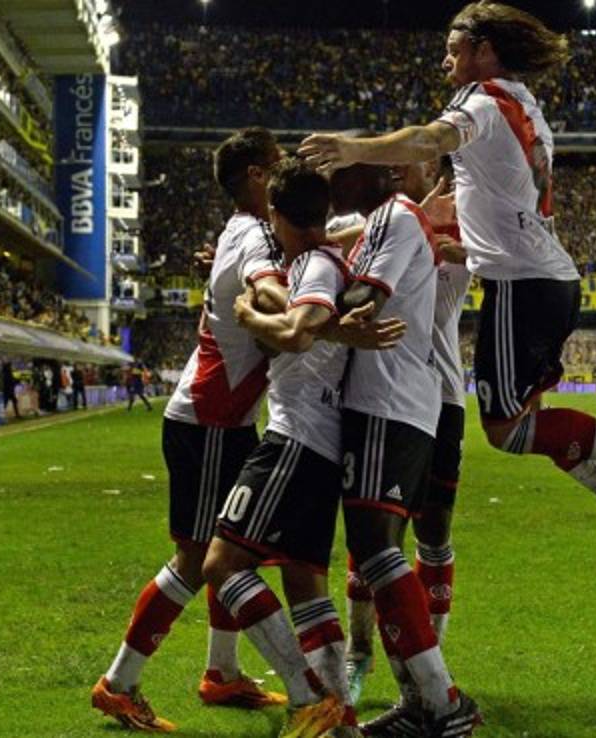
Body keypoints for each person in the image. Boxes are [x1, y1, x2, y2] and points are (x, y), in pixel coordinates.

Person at [299, 1, 596, 576]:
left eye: (453, 49)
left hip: (521, 285)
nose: (445, 61)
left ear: (484, 51)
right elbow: (478, 203)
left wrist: (354, 148)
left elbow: (428, 139)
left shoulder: (480, 103)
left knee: (508, 430)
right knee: (533, 417)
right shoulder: (525, 106)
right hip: (545, 279)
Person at [92, 128, 294, 733]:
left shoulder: (244, 229)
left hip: (225, 421)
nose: (285, 170)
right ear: (257, 175)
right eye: (278, 163)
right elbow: (267, 291)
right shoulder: (256, 236)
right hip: (208, 421)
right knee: (196, 558)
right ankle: (118, 684)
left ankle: (222, 673)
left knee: (235, 548)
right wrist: (306, 312)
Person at [202, 159, 397, 738]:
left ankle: (308, 695)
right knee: (305, 582)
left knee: (222, 565)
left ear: (277, 215)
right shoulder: (325, 257)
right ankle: (340, 720)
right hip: (321, 442)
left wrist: (245, 314)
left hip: (296, 437)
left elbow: (296, 332)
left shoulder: (312, 263)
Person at [341, 157, 471, 711]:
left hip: (441, 396)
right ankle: (359, 651)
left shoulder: (466, 231)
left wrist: (460, 239)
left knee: (432, 531)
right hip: (388, 389)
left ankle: (429, 660)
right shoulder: (382, 222)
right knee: (374, 533)